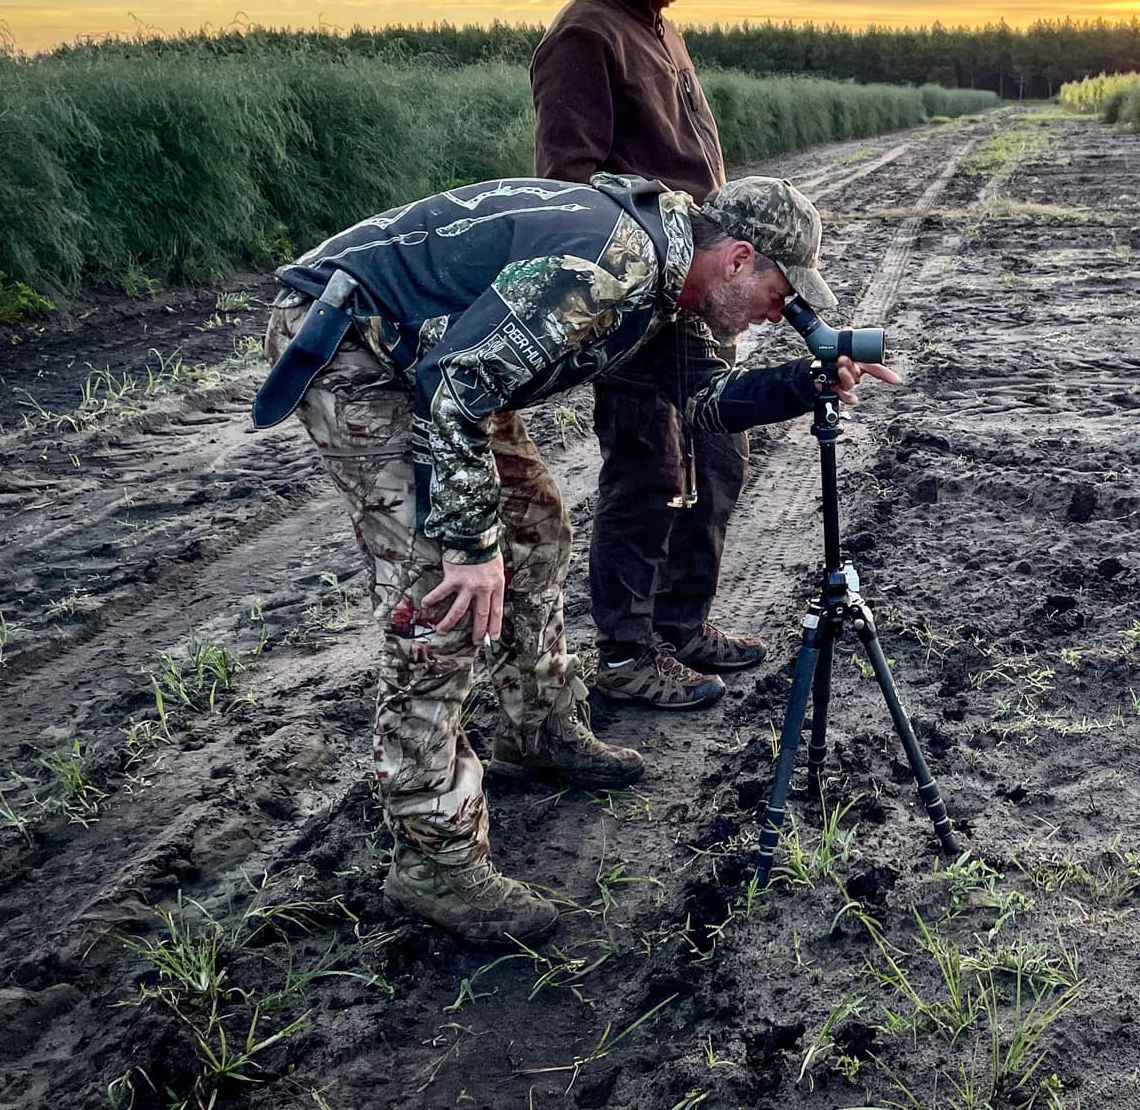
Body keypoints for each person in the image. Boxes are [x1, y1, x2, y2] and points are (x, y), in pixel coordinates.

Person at [252, 173, 898, 941]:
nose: (778, 315)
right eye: (780, 296)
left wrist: (807, 380)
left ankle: (535, 729)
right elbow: (456, 388)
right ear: (739, 259)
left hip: (441, 366)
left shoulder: (670, 283)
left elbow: (706, 402)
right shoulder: (608, 266)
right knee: (441, 593)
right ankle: (434, 859)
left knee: (538, 530)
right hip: (361, 345)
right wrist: (467, 544)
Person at [529, 0, 756, 711]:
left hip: (695, 294)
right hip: (637, 301)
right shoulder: (584, 36)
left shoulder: (659, 23)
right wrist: (664, 245)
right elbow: (567, 186)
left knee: (717, 453)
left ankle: (681, 624)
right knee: (647, 466)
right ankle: (625, 656)